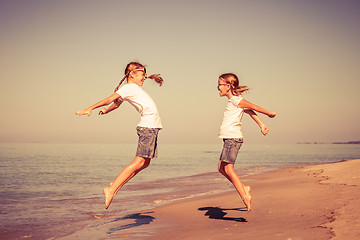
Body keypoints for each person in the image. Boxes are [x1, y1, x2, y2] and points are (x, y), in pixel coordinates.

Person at [75, 62, 163, 209]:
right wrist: (90, 108)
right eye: (142, 75)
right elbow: (110, 99)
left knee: (145, 163)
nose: (145, 78)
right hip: (147, 127)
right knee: (138, 162)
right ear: (132, 74)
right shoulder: (128, 88)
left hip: (152, 127)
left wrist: (106, 111)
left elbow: (116, 104)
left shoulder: (131, 89)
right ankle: (111, 189)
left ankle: (115, 186)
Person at [217, 73, 276, 211]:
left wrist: (268, 113)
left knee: (229, 169)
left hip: (232, 139)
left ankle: (245, 196)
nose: (217, 87)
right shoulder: (234, 101)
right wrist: (261, 125)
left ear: (228, 86)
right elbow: (249, 111)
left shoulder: (236, 101)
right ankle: (244, 188)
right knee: (221, 168)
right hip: (229, 139)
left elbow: (253, 106)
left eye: (219, 84)